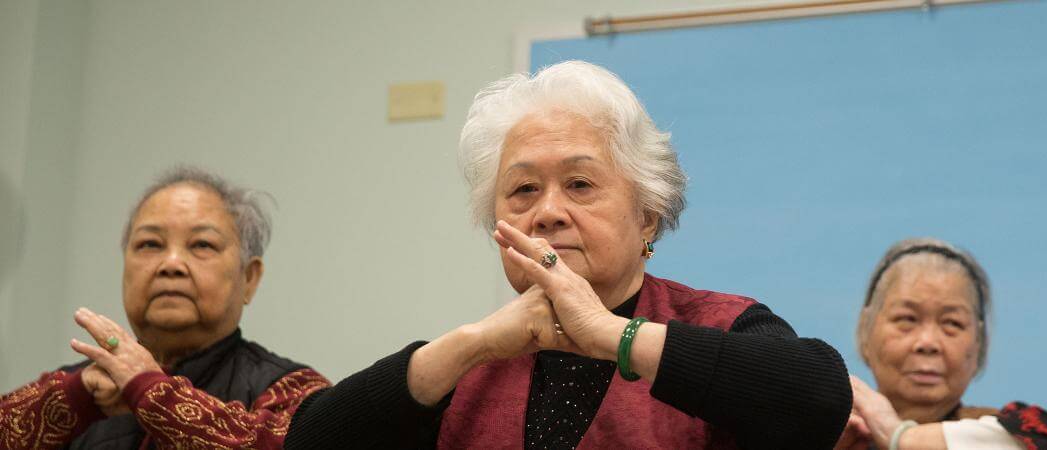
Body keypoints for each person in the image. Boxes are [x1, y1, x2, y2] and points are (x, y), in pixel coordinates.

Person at [284, 60, 852, 449]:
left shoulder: (723, 324)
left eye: (580, 184)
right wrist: (468, 345)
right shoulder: (469, 365)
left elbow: (820, 400)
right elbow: (308, 440)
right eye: (524, 190)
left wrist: (612, 335)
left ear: (647, 214)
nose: (548, 213)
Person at [0, 167, 329, 450]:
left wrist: (149, 389)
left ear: (249, 278)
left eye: (202, 244)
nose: (171, 264)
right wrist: (75, 398)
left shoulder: (292, 389)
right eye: (150, 244)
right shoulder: (79, 388)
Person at [842, 238, 1047, 450]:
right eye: (907, 319)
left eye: (952, 324)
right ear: (866, 330)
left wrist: (899, 436)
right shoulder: (829, 435)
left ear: (980, 344)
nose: (928, 342)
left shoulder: (1024, 437)